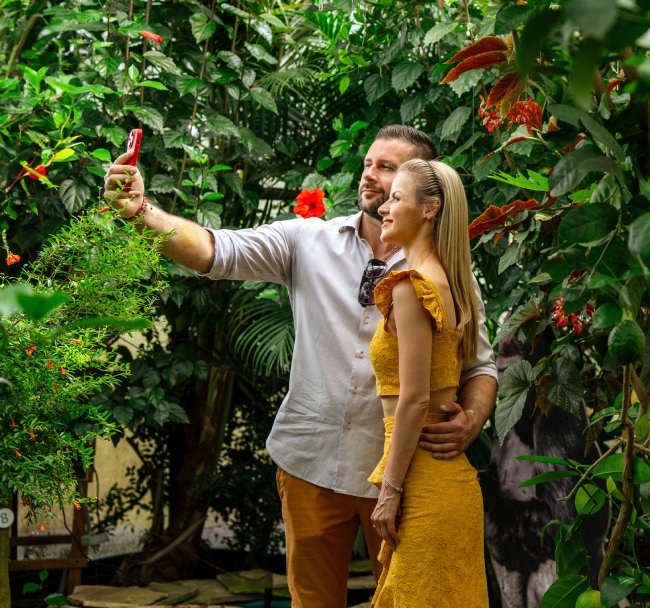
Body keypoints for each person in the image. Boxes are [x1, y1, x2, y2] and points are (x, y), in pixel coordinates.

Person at [103, 125, 497, 607]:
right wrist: (140, 210)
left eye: (387, 169)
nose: (369, 175)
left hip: (403, 476)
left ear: (420, 186)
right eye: (368, 164)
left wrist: (471, 421)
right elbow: (214, 250)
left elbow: (480, 367)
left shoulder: (448, 274)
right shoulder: (308, 239)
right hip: (311, 463)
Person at [365, 158, 486, 606]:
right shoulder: (449, 283)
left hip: (424, 487)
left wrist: (391, 491)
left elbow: (415, 400)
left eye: (396, 197)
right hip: (442, 481)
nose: (384, 208)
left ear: (430, 209)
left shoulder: (411, 286)